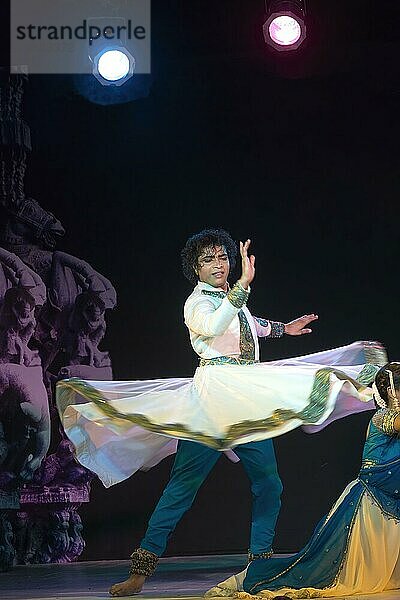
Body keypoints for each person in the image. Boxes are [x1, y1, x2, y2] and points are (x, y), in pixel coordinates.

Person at [56, 229, 385, 597]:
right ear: (195, 268)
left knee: (269, 484)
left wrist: (283, 328)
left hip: (243, 400)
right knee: (182, 487)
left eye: (222, 257)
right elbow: (214, 326)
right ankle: (141, 568)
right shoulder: (196, 304)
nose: (218, 264)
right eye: (208, 260)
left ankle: (259, 565)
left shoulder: (232, 300)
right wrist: (242, 286)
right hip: (212, 401)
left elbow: (248, 325)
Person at [206, 362, 400, 599]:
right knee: (326, 576)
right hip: (371, 506)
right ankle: (256, 575)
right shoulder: (383, 418)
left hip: (391, 503)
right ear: (392, 391)